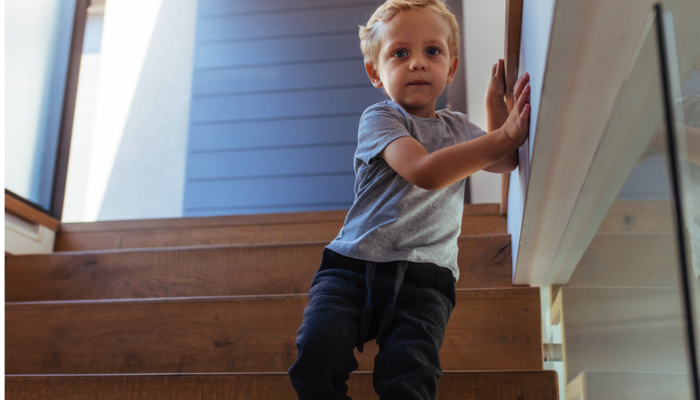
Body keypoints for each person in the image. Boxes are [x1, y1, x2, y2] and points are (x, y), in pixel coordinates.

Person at [288, 1, 530, 399]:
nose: (417, 63)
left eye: (432, 51)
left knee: (409, 380)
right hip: (352, 269)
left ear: (450, 68)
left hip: (426, 281)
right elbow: (426, 172)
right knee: (315, 358)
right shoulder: (382, 118)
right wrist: (505, 134)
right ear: (375, 73)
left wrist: (494, 104)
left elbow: (504, 160)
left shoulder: (457, 126)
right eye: (400, 53)